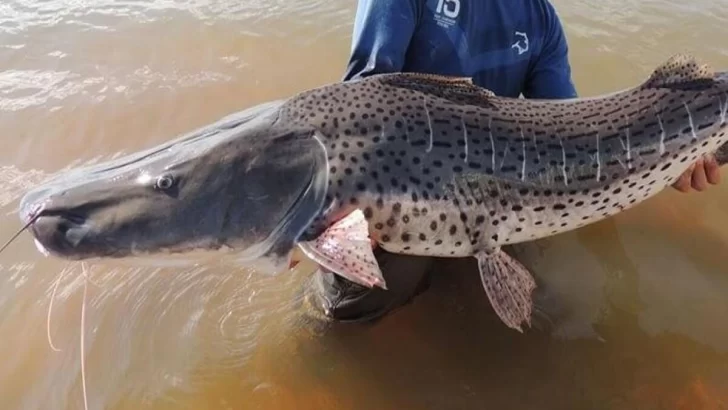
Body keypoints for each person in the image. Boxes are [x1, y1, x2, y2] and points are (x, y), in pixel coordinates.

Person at [306, 0, 721, 323]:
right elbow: (360, 106)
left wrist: (671, 159)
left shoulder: (540, 19)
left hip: (501, 198)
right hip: (404, 196)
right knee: (346, 312)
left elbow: (572, 138)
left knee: (551, 306)